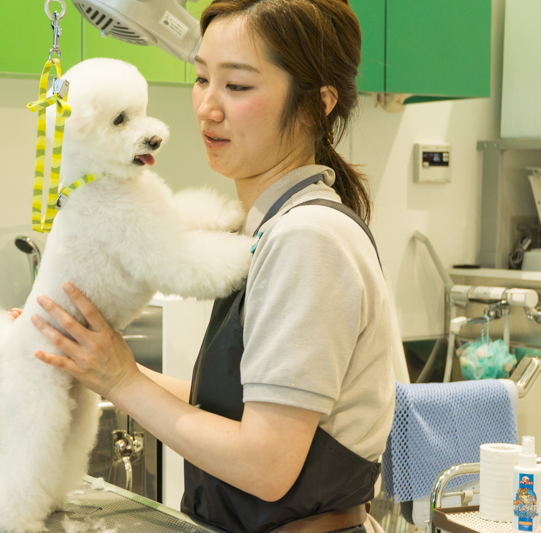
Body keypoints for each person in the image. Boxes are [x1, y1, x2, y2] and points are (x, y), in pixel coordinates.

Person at [29, 0, 397, 531]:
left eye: (237, 86)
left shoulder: (308, 239)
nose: (206, 107)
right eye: (202, 79)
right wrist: (91, 360)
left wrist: (122, 379)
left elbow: (266, 465)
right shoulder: (272, 226)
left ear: (317, 105)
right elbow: (237, 413)